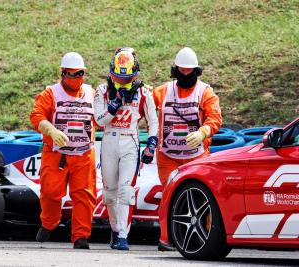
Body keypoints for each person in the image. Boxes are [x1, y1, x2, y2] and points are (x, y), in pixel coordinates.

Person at [153, 47, 222, 251]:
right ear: (175, 70)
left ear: (196, 71)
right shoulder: (162, 91)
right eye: (181, 70)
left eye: (188, 71)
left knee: (201, 198)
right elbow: (144, 106)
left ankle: (202, 240)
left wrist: (203, 132)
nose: (185, 74)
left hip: (197, 157)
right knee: (169, 196)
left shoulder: (205, 92)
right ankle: (165, 239)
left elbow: (215, 117)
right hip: (168, 156)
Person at [29, 52, 97, 249]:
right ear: (62, 73)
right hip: (56, 153)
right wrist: (51, 129)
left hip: (84, 153)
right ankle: (49, 222)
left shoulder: (93, 93)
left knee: (84, 196)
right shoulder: (50, 93)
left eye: (80, 74)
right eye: (72, 74)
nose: (76, 78)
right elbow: (36, 116)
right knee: (50, 192)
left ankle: (81, 237)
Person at [94, 47, 159, 250]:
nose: (122, 82)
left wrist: (151, 144)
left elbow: (153, 121)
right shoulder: (102, 91)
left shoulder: (144, 91)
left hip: (130, 141)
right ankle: (114, 229)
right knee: (109, 192)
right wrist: (113, 106)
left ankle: (123, 235)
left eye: (127, 78)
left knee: (126, 190)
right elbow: (99, 121)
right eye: (118, 77)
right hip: (109, 140)